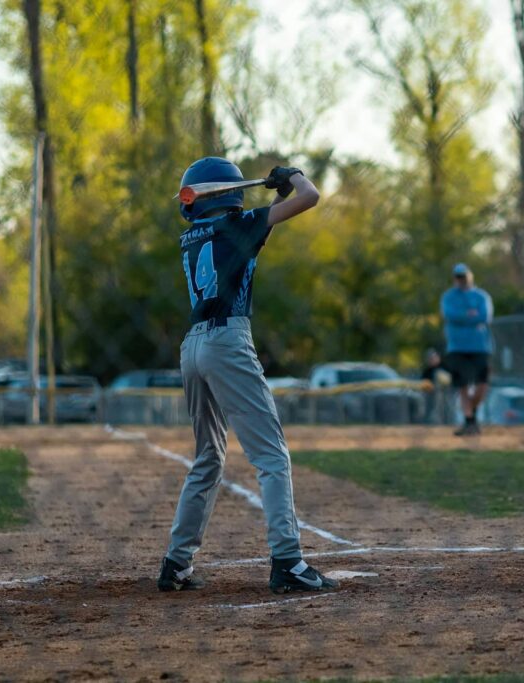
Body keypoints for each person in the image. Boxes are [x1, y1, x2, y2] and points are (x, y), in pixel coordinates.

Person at [158, 157, 340, 594]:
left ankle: (176, 564)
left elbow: (255, 235)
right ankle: (288, 562)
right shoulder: (240, 226)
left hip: (193, 348)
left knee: (207, 458)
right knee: (271, 455)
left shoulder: (194, 236)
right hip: (228, 344)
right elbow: (311, 197)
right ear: (231, 195)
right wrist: (294, 175)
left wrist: (275, 195)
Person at [440, 263, 494, 436]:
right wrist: (470, 315)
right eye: (458, 276)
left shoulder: (481, 296)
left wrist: (463, 316)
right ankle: (470, 422)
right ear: (454, 278)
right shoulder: (448, 297)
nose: (461, 279)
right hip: (457, 347)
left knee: (482, 386)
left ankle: (470, 416)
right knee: (462, 385)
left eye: (464, 276)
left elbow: (484, 316)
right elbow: (450, 315)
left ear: (470, 276)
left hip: (480, 346)